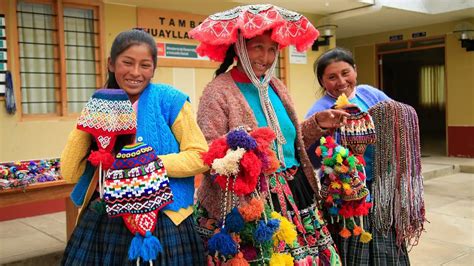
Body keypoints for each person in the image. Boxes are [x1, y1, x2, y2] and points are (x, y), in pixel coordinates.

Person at [189, 4, 348, 265]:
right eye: (258, 47)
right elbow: (209, 153)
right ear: (239, 48)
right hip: (252, 200)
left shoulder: (276, 86)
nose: (266, 56)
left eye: (272, 49)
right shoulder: (217, 91)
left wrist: (317, 122)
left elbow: (288, 142)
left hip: (297, 191)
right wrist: (244, 146)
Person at [60, 29, 208, 265]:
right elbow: (69, 171)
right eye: (127, 63)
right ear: (111, 63)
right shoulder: (101, 105)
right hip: (106, 221)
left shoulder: (169, 100)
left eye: (145, 65)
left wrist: (146, 164)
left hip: (164, 222)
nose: (136, 73)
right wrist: (89, 116)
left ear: (153, 69)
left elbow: (201, 156)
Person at [306, 47, 410, 265]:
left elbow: (396, 120)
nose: (341, 82)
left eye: (346, 73)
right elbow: (311, 156)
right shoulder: (321, 111)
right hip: (347, 194)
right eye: (332, 77)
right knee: (354, 244)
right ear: (322, 82)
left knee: (387, 241)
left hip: (382, 185)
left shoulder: (371, 94)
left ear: (355, 70)